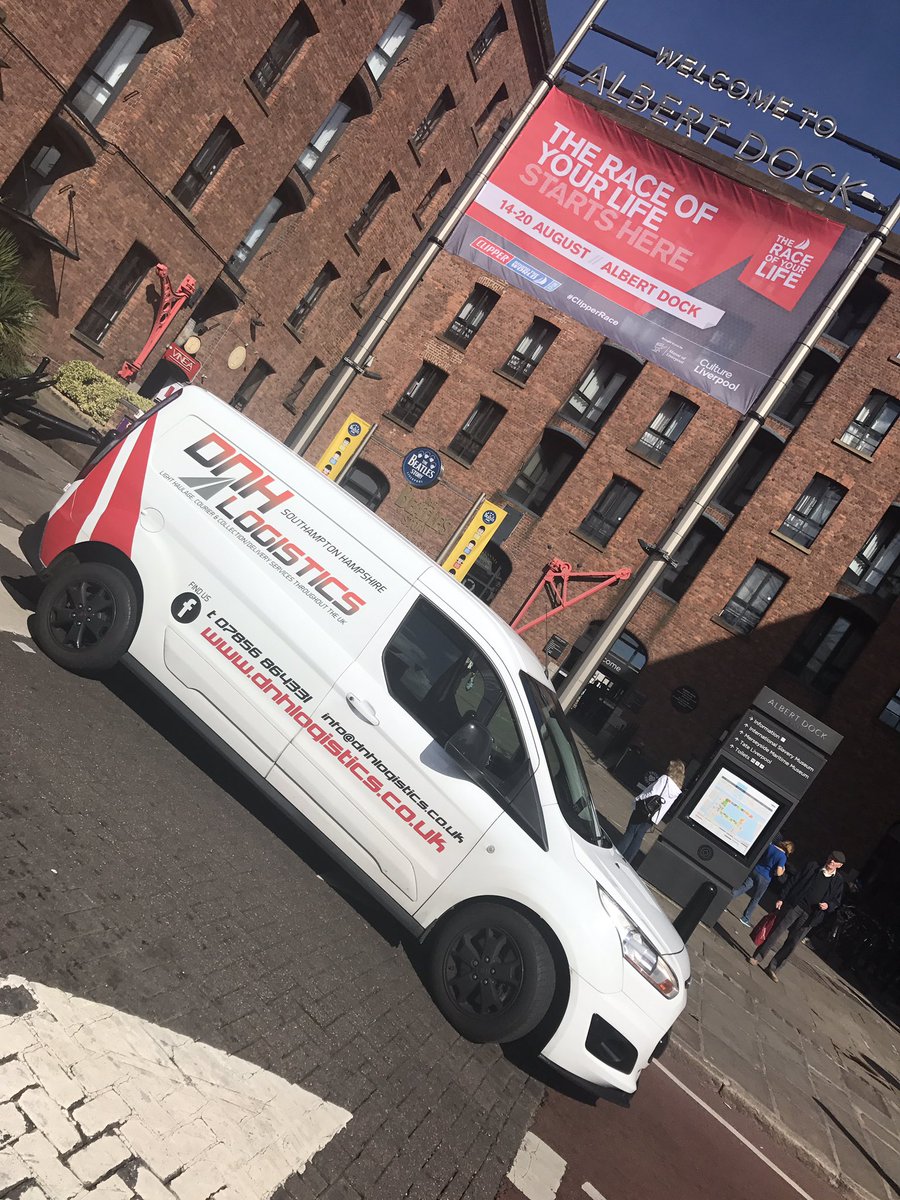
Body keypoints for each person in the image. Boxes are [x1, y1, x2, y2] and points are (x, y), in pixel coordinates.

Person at [750, 851, 845, 981]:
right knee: (776, 931)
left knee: (793, 942)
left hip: (811, 916)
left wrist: (828, 905)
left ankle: (773, 967)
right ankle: (758, 957)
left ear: (839, 865)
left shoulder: (838, 882)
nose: (831, 861)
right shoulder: (813, 867)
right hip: (795, 905)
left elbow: (836, 901)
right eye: (830, 858)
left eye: (835, 861)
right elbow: (794, 880)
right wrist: (781, 898)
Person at [619, 760, 685, 864]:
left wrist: (639, 799)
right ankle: (627, 860)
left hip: (644, 809)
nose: (668, 768)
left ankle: (618, 854)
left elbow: (653, 793)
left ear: (673, 770)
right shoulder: (677, 790)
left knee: (630, 832)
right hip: (654, 816)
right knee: (639, 836)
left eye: (670, 767)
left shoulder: (665, 779)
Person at [732, 839, 794, 926]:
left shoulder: (770, 847)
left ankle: (726, 899)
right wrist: (783, 870)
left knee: (743, 887)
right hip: (765, 877)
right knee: (756, 898)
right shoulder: (783, 856)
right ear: (789, 850)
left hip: (756, 870)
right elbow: (779, 872)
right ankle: (745, 917)